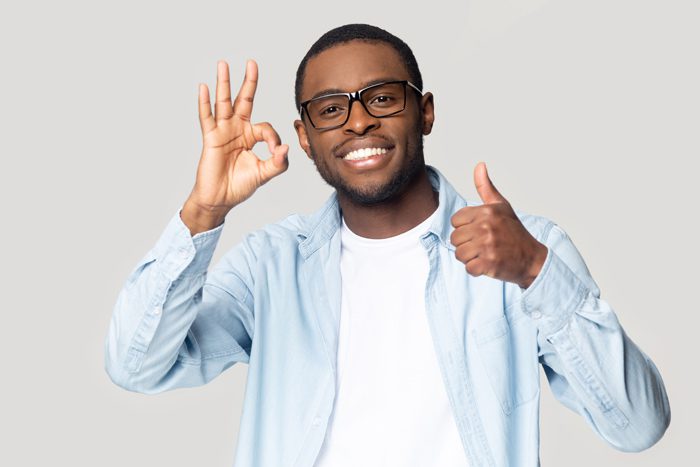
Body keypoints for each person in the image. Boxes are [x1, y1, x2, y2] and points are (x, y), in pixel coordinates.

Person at [105, 23, 670, 467]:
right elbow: (138, 365)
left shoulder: (523, 249)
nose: (356, 123)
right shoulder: (271, 265)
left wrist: (537, 273)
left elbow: (638, 425)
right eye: (330, 109)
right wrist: (205, 209)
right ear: (306, 139)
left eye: (381, 99)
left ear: (424, 111)